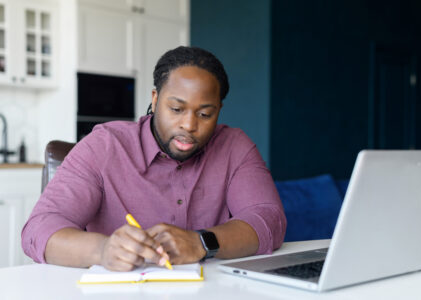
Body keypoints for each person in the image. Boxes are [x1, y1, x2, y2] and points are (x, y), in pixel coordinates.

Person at [22, 46, 286, 271]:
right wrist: (102, 250)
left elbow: (268, 219)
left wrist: (201, 243)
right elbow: (39, 230)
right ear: (155, 98)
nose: (189, 125)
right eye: (176, 109)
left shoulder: (234, 146)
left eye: (205, 114)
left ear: (218, 111)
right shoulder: (103, 147)